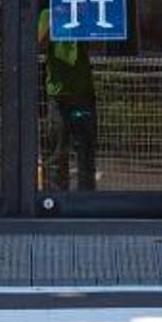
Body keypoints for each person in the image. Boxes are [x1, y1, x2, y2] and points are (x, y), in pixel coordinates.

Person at [38, 11, 99, 190]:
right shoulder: (48, 14)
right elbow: (39, 45)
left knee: (85, 148)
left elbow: (97, 44)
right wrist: (55, 20)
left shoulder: (88, 11)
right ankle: (57, 195)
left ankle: (86, 196)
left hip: (82, 92)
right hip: (58, 94)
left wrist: (83, 15)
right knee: (58, 148)